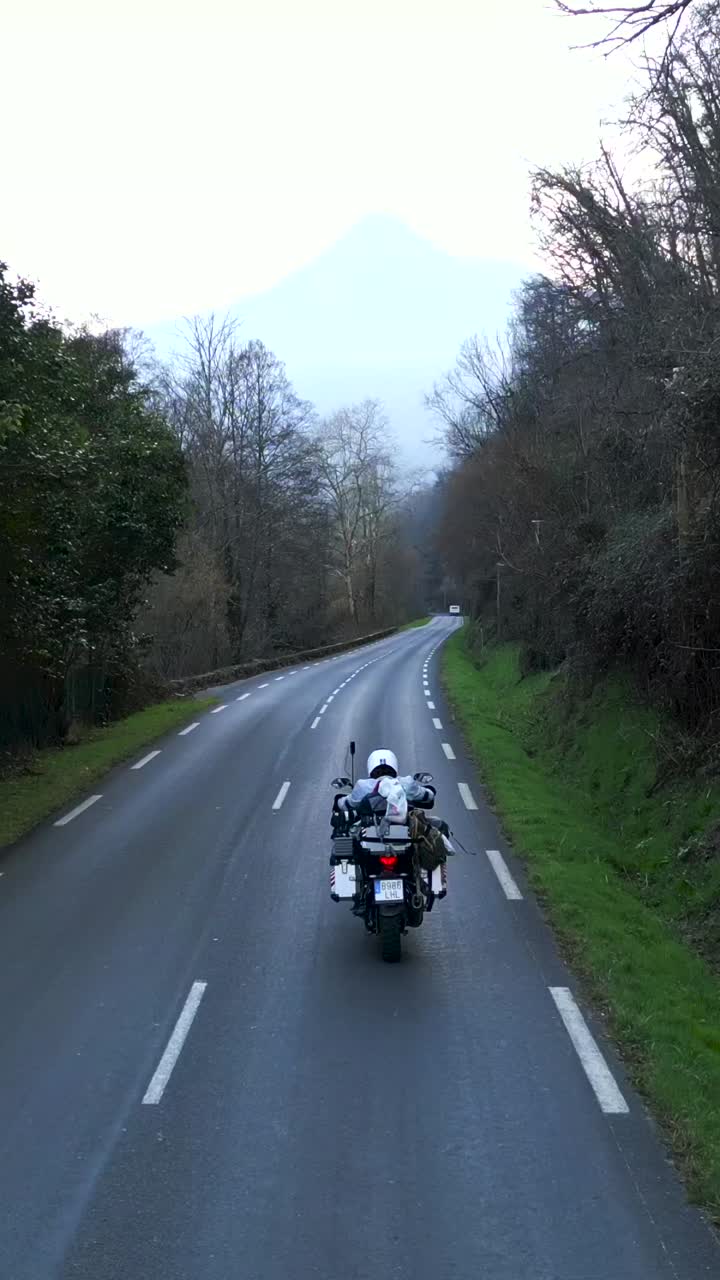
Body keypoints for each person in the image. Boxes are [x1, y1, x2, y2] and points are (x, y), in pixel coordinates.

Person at [335, 748, 435, 817]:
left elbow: (345, 804)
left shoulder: (362, 786)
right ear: (394, 766)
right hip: (407, 833)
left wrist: (338, 801)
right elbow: (428, 796)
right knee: (438, 824)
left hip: (369, 835)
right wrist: (430, 791)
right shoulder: (406, 783)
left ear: (370, 768)